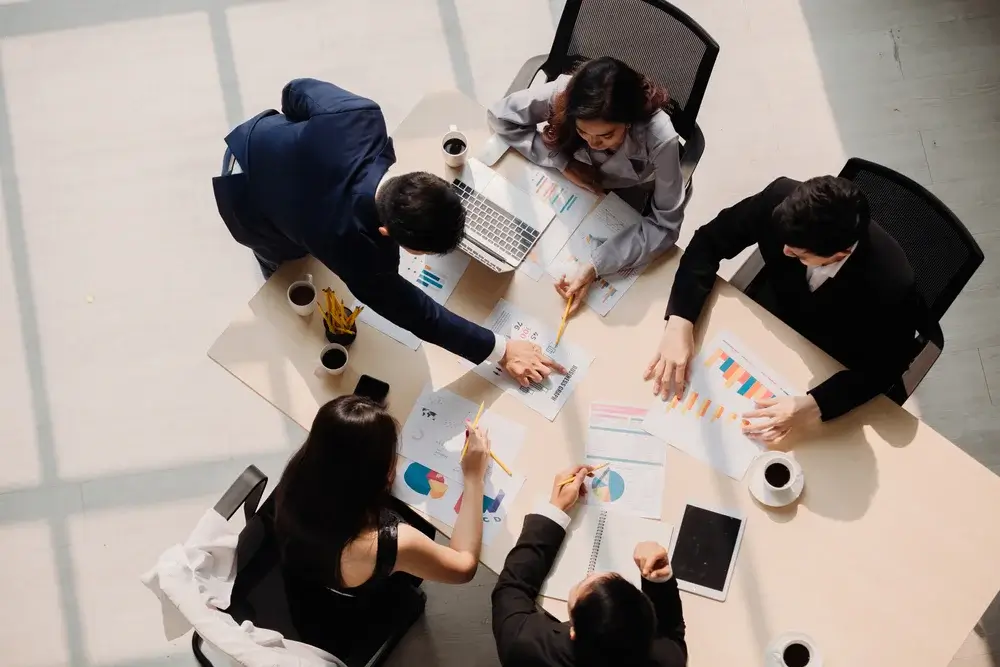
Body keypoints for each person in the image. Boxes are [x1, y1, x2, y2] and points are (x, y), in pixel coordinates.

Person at [214, 78, 562, 386]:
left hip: (259, 141)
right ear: (386, 232)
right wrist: (502, 350)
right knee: (285, 266)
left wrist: (298, 139)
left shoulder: (360, 118)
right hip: (244, 199)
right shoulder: (359, 256)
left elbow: (296, 90)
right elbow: (422, 316)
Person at [645, 176, 925, 444]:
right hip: (771, 325)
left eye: (798, 253)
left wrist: (814, 404)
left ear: (840, 255)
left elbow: (886, 367)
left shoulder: (892, 283)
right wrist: (680, 320)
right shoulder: (780, 198)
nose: (785, 252)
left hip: (833, 355)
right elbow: (709, 241)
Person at [269, 395, 491, 657]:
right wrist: (474, 478)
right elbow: (463, 567)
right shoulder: (384, 543)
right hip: (349, 618)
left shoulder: (304, 469)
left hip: (305, 574)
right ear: (378, 474)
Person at [488, 57, 686, 313]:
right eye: (583, 132)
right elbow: (499, 116)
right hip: (571, 187)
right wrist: (562, 163)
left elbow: (666, 226)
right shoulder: (563, 95)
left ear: (628, 120)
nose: (593, 143)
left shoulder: (660, 137)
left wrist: (596, 264)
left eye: (606, 135)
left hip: (625, 191)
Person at [492, 465, 687, 667]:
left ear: (574, 632)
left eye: (583, 584)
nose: (592, 573)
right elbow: (671, 634)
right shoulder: (667, 661)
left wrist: (554, 510)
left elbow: (511, 589)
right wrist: (659, 580)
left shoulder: (525, 647)